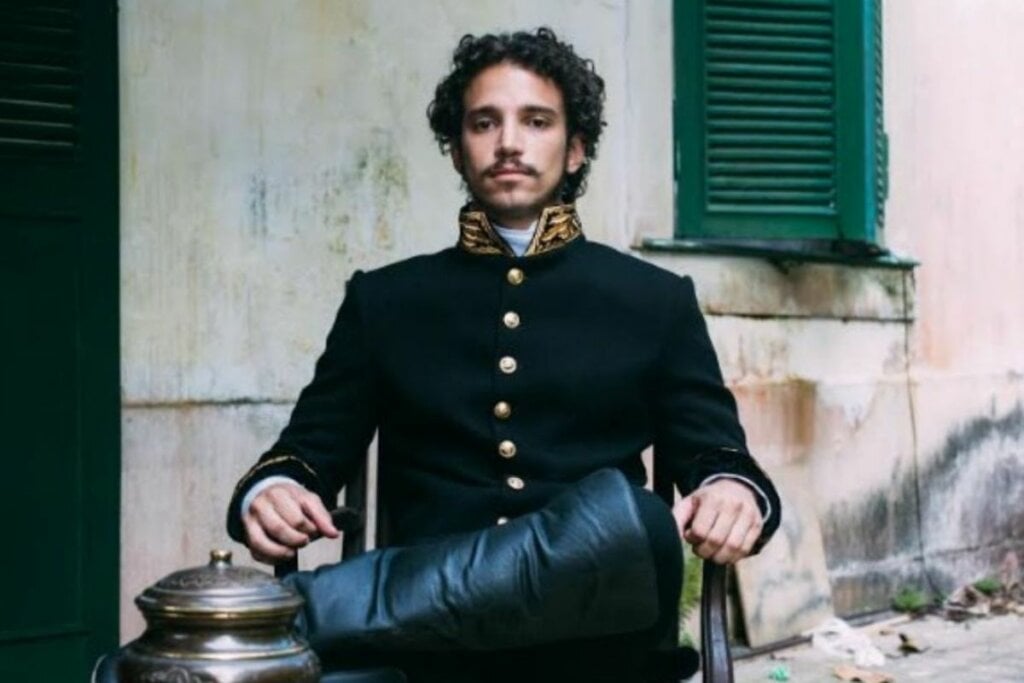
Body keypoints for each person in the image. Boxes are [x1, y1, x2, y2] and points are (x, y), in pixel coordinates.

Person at [226, 28, 780, 683]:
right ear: (458, 150)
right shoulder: (385, 301)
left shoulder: (653, 300)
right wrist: (274, 490)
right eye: (484, 122)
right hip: (430, 652)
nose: (509, 142)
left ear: (575, 149)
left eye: (536, 121)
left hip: (595, 639)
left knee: (633, 525)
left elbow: (717, 454)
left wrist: (730, 490)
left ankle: (299, 615)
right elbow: (305, 453)